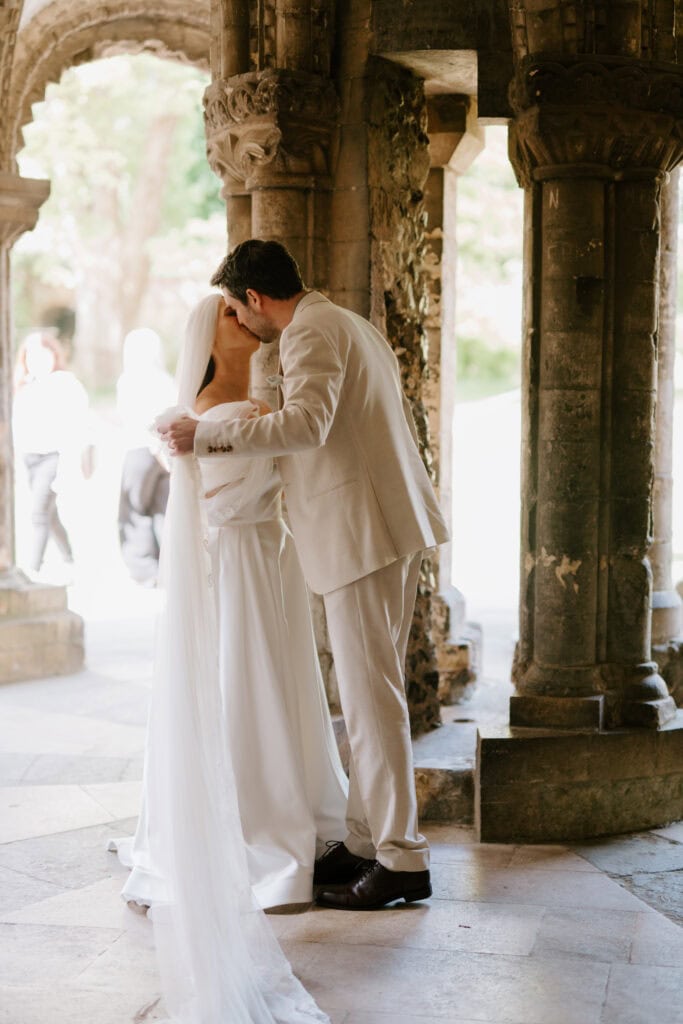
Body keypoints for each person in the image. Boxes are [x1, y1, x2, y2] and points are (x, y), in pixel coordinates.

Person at [162, 240, 450, 912]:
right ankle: (363, 840)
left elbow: (309, 425)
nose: (241, 323)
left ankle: (402, 858)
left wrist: (204, 437)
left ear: (256, 300)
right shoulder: (347, 321)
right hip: (385, 523)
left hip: (359, 532)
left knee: (370, 698)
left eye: (237, 309)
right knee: (370, 693)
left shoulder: (310, 331)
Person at [112, 292, 348, 910]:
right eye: (228, 316)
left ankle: (297, 802)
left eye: (241, 309)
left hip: (272, 558)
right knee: (247, 682)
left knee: (282, 680)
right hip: (239, 560)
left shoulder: (252, 405)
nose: (242, 319)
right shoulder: (212, 415)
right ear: (211, 339)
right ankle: (254, 819)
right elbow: (237, 492)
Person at [12, 331, 89, 580]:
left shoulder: (65, 383)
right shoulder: (23, 385)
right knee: (49, 513)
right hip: (29, 457)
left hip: (53, 457)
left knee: (38, 512)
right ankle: (69, 558)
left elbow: (79, 425)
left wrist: (74, 461)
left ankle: (32, 568)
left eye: (43, 353)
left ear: (53, 355)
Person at [116, 328, 175, 585]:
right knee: (163, 508)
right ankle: (169, 564)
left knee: (136, 510)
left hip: (141, 451)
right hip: (164, 452)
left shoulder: (129, 381)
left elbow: (138, 421)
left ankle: (145, 569)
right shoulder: (166, 380)